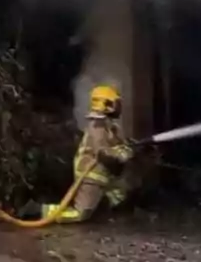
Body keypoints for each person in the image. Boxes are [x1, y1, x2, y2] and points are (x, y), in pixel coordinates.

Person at [26, 84, 135, 224]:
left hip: (105, 175)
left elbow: (118, 145)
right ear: (105, 104)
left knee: (119, 193)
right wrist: (120, 155)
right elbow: (102, 152)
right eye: (115, 103)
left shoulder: (111, 126)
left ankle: (100, 209)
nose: (119, 107)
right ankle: (37, 210)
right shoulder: (98, 125)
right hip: (91, 174)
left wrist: (127, 148)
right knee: (80, 213)